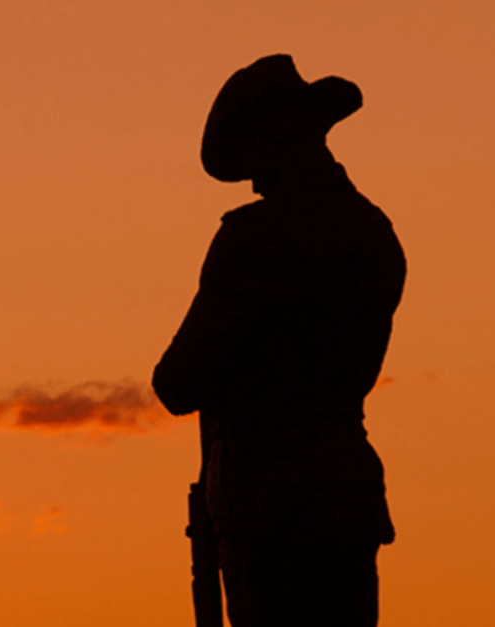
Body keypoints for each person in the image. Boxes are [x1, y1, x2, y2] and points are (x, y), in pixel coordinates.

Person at [153, 54, 406, 627]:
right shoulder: (374, 232)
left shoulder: (254, 239)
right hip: (346, 495)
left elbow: (176, 381)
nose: (256, 180)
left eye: (256, 159)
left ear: (276, 142)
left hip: (267, 508)